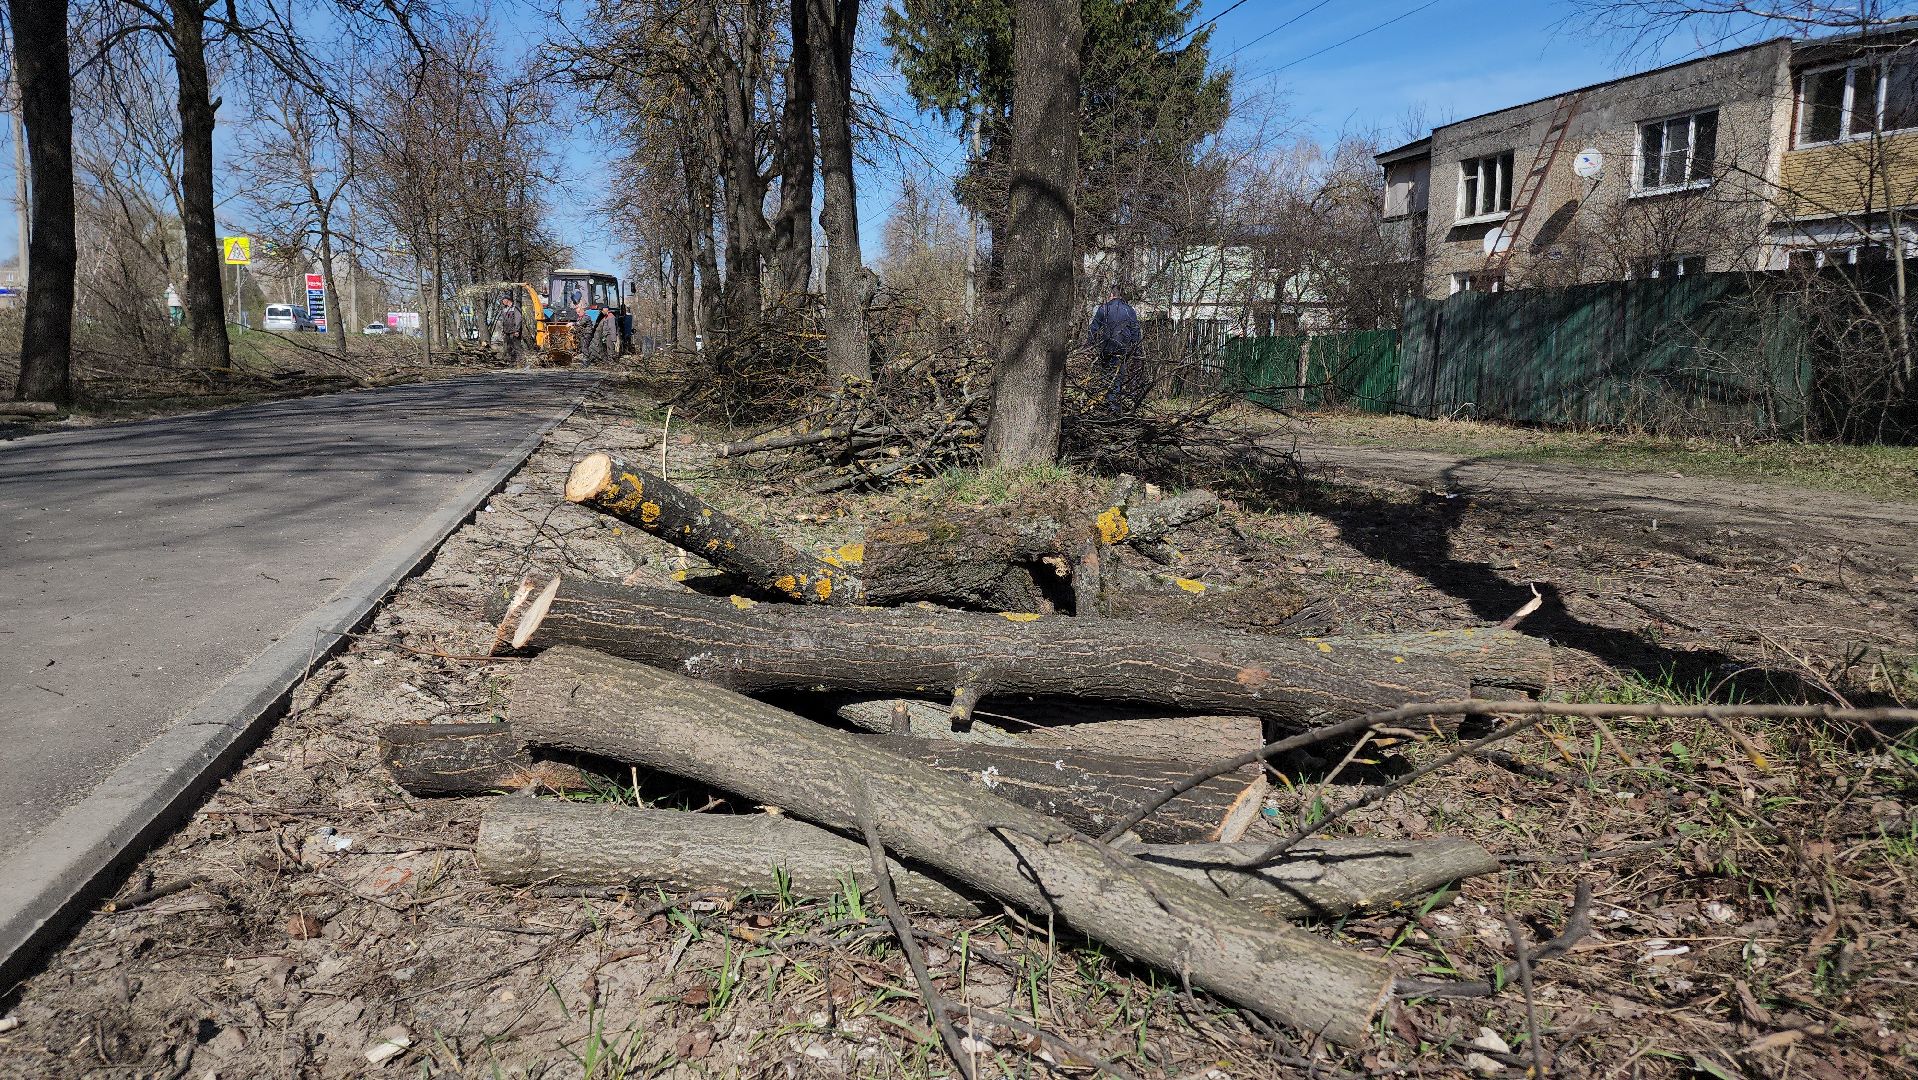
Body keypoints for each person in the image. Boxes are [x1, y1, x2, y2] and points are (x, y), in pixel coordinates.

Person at [1087, 287, 1143, 414]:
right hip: (1122, 349)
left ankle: (1107, 404)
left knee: (1106, 376)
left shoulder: (1104, 308)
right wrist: (1136, 348)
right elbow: (1135, 330)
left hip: (1106, 348)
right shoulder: (1129, 310)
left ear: (1111, 295)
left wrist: (1088, 345)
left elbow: (1094, 328)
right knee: (1117, 377)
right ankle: (1113, 406)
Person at [499, 296, 525, 368]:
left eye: (503, 300)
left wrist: (517, 330)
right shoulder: (504, 309)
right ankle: (512, 362)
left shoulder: (515, 308)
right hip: (507, 331)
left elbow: (518, 319)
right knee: (509, 347)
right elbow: (504, 321)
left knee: (517, 346)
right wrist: (503, 330)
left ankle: (521, 362)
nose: (502, 302)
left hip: (514, 331)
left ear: (508, 300)